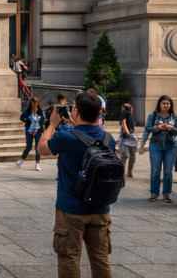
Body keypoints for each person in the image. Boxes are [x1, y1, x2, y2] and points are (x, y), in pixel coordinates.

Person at [38, 92, 116, 278]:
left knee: (69, 257)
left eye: (73, 108)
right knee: (100, 258)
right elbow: (86, 135)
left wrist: (52, 124)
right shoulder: (108, 139)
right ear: (99, 113)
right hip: (100, 208)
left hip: (71, 209)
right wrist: (75, 121)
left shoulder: (65, 137)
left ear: (77, 112)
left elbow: (42, 148)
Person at [138, 95, 177, 202]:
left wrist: (171, 128)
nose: (166, 105)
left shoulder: (174, 116)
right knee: (155, 170)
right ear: (159, 104)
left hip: (171, 146)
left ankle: (166, 193)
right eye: (163, 103)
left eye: (167, 103)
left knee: (168, 172)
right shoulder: (153, 115)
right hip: (155, 146)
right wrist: (158, 128)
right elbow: (147, 129)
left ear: (170, 105)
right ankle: (154, 193)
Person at [16, 95, 46, 171]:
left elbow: (43, 120)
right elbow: (21, 117)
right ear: (31, 102)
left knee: (37, 147)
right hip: (29, 130)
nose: (35, 103)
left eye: (36, 102)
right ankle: (21, 160)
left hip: (38, 130)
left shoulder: (40, 111)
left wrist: (37, 124)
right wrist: (28, 120)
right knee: (28, 146)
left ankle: (37, 164)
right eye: (33, 102)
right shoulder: (27, 111)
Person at [115, 102, 137, 178]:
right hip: (125, 136)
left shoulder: (130, 115)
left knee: (132, 157)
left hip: (132, 136)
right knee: (125, 156)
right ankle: (121, 173)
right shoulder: (124, 113)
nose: (130, 108)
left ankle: (129, 171)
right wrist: (127, 131)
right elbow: (123, 123)